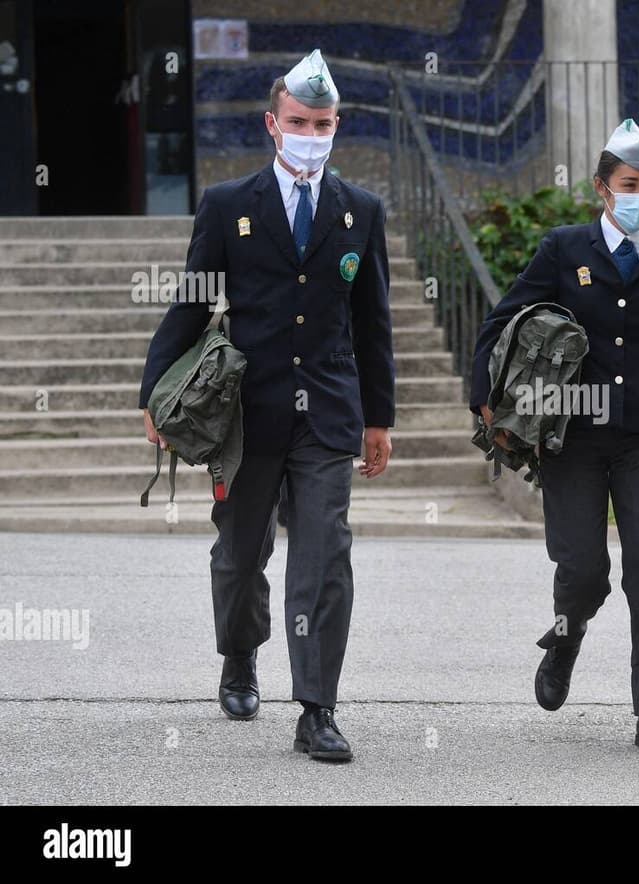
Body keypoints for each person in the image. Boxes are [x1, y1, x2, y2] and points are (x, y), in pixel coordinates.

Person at [139, 49, 395, 763]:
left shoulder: (360, 211)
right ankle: (240, 654)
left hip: (329, 415)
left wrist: (380, 418)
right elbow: (190, 304)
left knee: (323, 558)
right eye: (298, 121)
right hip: (245, 415)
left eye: (322, 122)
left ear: (336, 123)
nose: (310, 132)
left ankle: (317, 708)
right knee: (240, 555)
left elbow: (373, 322)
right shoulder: (227, 206)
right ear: (272, 124)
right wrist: (155, 392)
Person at [470, 120, 639, 755]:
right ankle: (567, 636)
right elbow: (504, 321)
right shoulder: (564, 248)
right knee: (583, 569)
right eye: (630, 183)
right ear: (603, 189)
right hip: (572, 434)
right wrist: (485, 397)